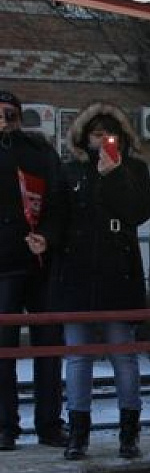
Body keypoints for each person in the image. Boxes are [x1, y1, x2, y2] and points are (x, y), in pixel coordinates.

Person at [34, 103, 150, 460]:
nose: (103, 141)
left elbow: (138, 212)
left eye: (110, 135)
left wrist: (113, 175)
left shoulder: (133, 169)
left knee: (123, 355)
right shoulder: (71, 171)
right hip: (77, 274)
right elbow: (57, 216)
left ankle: (129, 433)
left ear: (122, 139)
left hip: (118, 274)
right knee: (78, 357)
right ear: (85, 138)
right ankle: (78, 433)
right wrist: (45, 238)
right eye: (97, 135)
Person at [0, 89, 66, 451]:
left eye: (9, 113)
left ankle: (50, 425)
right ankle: (5, 427)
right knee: (2, 350)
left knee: (48, 347)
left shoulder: (39, 151)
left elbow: (58, 200)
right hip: (3, 265)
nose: (3, 119)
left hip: (40, 263)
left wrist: (48, 237)